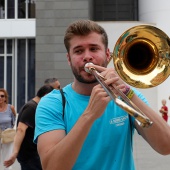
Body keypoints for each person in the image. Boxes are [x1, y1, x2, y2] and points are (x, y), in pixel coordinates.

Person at [33, 20, 170, 170]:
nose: (87, 57)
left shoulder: (128, 95)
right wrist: (90, 114)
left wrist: (128, 93)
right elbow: (51, 167)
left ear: (107, 55)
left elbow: (166, 146)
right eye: (78, 51)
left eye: (94, 49)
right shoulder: (52, 103)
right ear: (69, 59)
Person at [4, 85, 54, 170]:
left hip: (32, 155)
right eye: (52, 99)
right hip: (29, 155)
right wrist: (15, 153)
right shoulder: (31, 107)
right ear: (46, 96)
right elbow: (20, 129)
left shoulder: (35, 107)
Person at [0, 88, 17, 170]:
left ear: (5, 98)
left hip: (7, 135)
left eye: (2, 96)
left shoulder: (11, 108)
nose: (0, 98)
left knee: (7, 157)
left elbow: (15, 120)